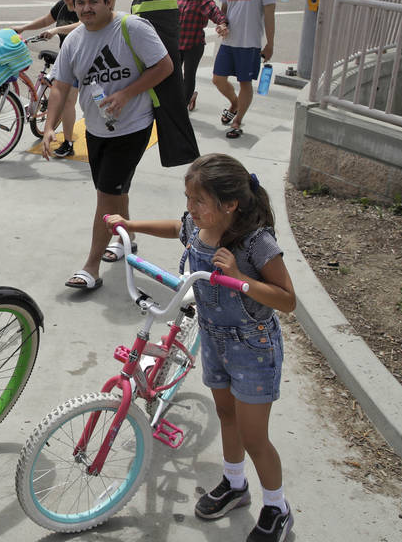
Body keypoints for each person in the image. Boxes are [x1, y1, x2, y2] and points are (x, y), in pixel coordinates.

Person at [104, 152, 296, 542]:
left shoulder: (256, 243)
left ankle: (277, 507)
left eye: (198, 201)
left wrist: (240, 277)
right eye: (188, 198)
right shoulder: (196, 224)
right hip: (213, 335)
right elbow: (176, 226)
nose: (189, 208)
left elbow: (287, 299)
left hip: (253, 346)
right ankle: (235, 483)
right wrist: (131, 224)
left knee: (255, 435)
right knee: (226, 415)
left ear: (230, 204)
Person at [40, 0, 172, 291]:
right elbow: (60, 87)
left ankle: (90, 267)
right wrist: (48, 127)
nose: (86, 9)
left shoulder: (132, 28)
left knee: (105, 196)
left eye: (93, 2)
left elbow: (164, 66)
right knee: (115, 190)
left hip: (133, 125)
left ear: (109, 1)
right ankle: (129, 236)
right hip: (97, 128)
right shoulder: (74, 40)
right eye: (80, 2)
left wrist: (127, 93)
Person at [14, 0, 83, 157]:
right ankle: (59, 132)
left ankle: (68, 143)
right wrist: (24, 28)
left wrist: (56, 30)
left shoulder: (82, 7)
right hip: (66, 57)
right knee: (59, 97)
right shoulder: (61, 6)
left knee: (69, 102)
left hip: (81, 59)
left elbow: (82, 24)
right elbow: (46, 20)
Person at [213, 0, 276, 140]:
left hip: (249, 44)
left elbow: (269, 16)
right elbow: (223, 12)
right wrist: (222, 25)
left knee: (245, 83)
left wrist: (270, 44)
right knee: (218, 79)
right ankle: (234, 103)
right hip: (228, 43)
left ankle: (238, 120)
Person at [176, 0, 229, 112]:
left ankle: (182, 107)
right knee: (174, 75)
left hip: (194, 44)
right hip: (178, 43)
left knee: (188, 76)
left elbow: (214, 11)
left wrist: (222, 23)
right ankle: (188, 96)